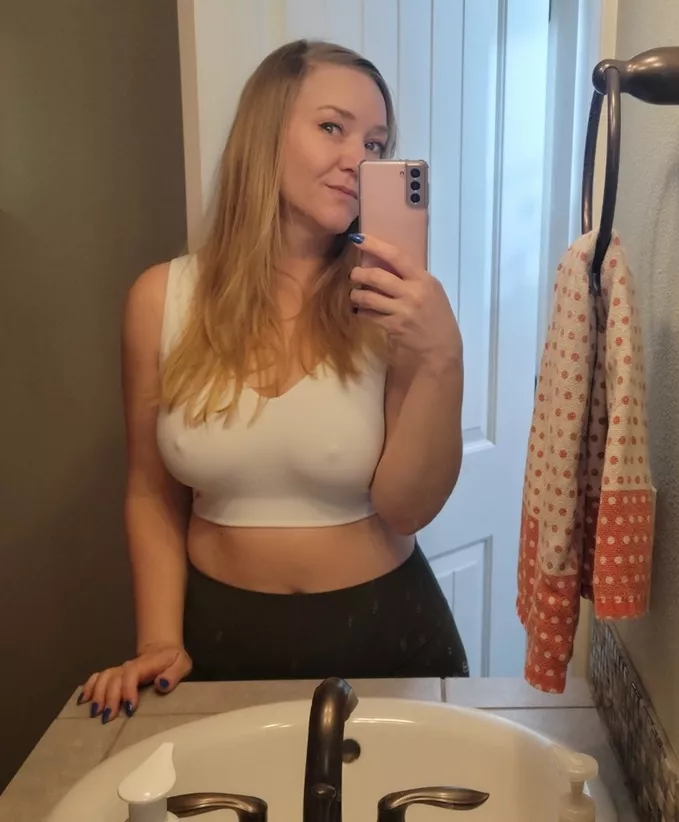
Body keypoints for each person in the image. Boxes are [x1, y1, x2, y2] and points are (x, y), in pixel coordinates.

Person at [77, 39, 468, 725]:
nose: (358, 159)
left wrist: (442, 356)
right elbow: (151, 491)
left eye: (376, 143)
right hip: (218, 638)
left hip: (387, 634)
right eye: (332, 127)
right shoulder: (159, 300)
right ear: (265, 133)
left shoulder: (392, 306)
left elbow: (406, 509)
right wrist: (159, 640)